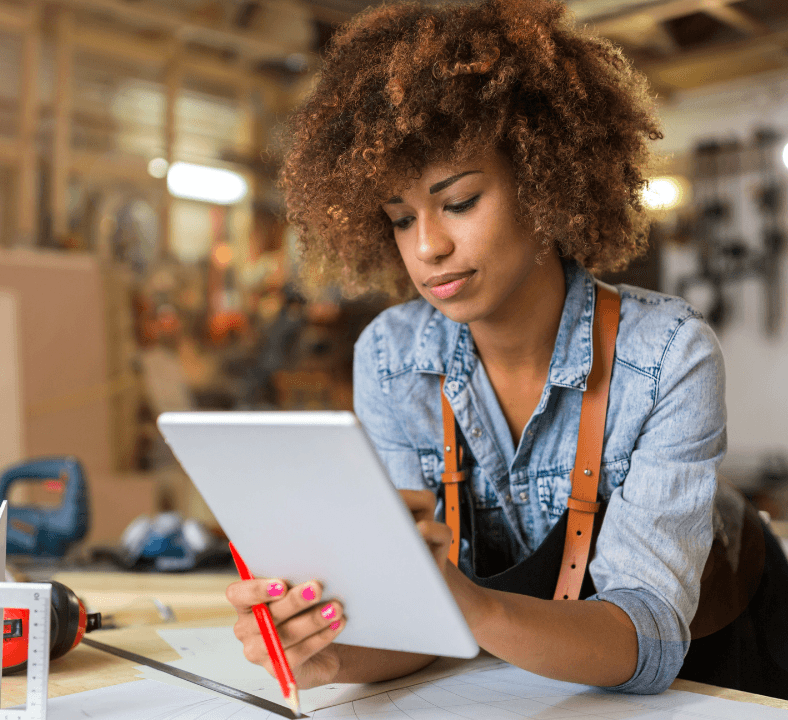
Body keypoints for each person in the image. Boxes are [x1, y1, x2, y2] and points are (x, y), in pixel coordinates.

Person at [225, 0, 788, 698]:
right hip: (540, 670)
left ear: (543, 182)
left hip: (725, 655)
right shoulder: (391, 359)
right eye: (400, 219)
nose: (427, 247)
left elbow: (649, 641)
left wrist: (469, 604)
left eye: (458, 201)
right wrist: (329, 654)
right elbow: (424, 628)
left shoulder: (667, 356)